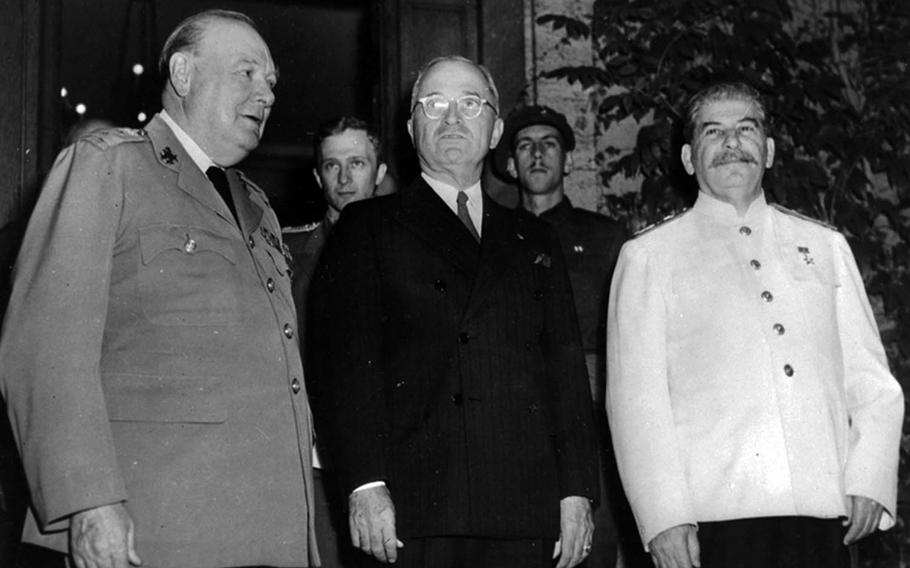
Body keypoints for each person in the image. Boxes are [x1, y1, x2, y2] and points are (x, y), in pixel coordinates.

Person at [0, 9, 319, 568]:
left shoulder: (260, 208)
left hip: (267, 530)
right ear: (183, 74)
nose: (265, 94)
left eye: (270, 82)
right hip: (156, 531)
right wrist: (88, 501)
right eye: (246, 73)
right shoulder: (108, 167)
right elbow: (44, 348)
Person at [309, 56, 599, 568]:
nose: (451, 118)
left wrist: (577, 491)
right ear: (410, 127)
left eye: (470, 104)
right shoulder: (367, 226)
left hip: (524, 506)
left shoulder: (534, 237)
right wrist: (364, 483)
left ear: (495, 132)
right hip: (416, 508)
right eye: (434, 104)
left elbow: (566, 375)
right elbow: (344, 369)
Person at [606, 82, 904, 568]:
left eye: (746, 129)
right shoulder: (648, 257)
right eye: (713, 132)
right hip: (712, 519)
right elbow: (636, 402)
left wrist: (868, 480)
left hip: (820, 511)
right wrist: (663, 515)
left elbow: (872, 382)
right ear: (687, 158)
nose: (731, 143)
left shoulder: (824, 246)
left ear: (767, 151)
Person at [496, 104, 630, 567]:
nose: (537, 154)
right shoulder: (491, 239)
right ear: (511, 163)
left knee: (592, 551)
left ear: (568, 161)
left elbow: (626, 339)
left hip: (591, 431)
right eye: (525, 145)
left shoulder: (607, 239)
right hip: (515, 427)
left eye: (549, 144)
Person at [283, 116, 388, 568]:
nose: (345, 178)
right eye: (332, 166)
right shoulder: (286, 253)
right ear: (317, 176)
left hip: (391, 454)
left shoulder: (412, 250)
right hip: (311, 458)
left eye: (358, 163)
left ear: (379, 172)